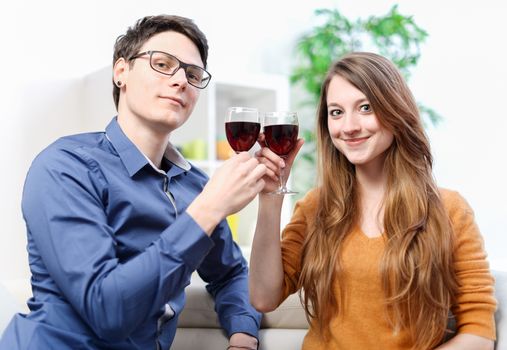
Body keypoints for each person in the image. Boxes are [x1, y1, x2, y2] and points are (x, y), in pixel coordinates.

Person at [0, 15, 265, 350]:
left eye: (193, 74)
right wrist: (209, 208)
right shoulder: (65, 166)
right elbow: (107, 310)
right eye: (163, 63)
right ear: (121, 72)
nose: (181, 80)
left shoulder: (195, 185)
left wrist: (243, 335)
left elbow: (231, 274)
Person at [249, 52, 496, 349]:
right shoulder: (316, 208)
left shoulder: (450, 210)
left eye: (365, 108)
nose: (349, 126)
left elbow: (479, 333)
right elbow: (263, 297)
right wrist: (270, 195)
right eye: (336, 112)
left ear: (395, 110)